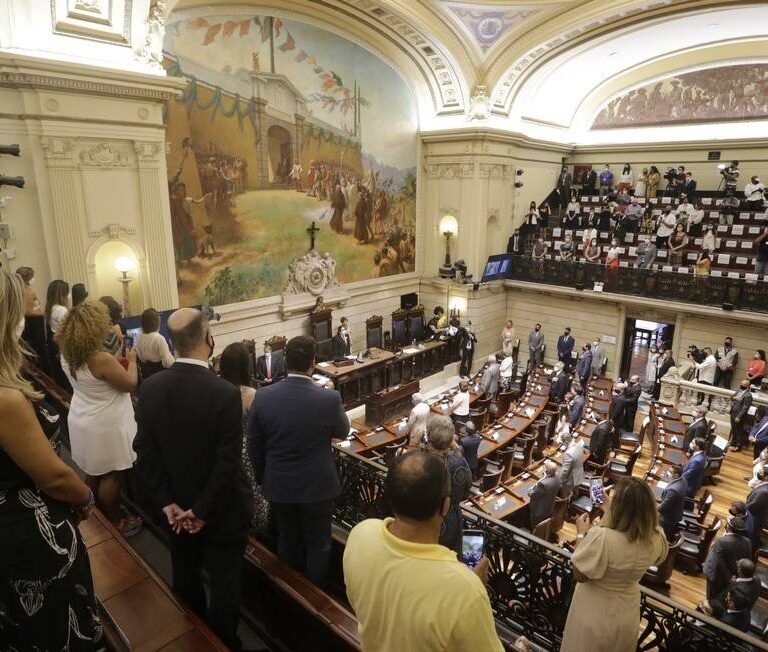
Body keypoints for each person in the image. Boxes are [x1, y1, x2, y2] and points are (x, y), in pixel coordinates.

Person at [134, 308, 252, 648]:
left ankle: (192, 637)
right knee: (225, 586)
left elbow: (145, 453)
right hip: (222, 514)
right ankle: (225, 642)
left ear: (172, 343)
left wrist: (167, 503)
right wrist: (200, 511)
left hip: (175, 511)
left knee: (185, 577)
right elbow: (227, 464)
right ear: (208, 340)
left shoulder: (152, 388)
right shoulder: (225, 393)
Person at [0, 267, 103, 649]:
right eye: (22, 315)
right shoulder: (6, 397)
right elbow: (53, 476)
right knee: (55, 632)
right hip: (31, 545)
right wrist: (86, 498)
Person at [343, 451, 503, 652]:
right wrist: (473, 587)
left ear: (390, 498)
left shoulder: (361, 533)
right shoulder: (465, 592)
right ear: (445, 506)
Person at [247, 335, 348, 586]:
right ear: (313, 363)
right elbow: (343, 431)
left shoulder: (263, 397)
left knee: (288, 539)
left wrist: (264, 478)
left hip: (279, 485)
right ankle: (314, 596)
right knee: (319, 545)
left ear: (284, 362)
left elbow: (253, 446)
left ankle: (289, 593)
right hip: (318, 487)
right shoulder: (328, 399)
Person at [57, 301, 141, 535]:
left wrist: (114, 357)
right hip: (105, 423)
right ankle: (115, 522)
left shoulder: (67, 352)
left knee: (94, 471)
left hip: (82, 417)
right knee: (111, 475)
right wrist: (132, 361)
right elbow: (129, 384)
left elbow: (96, 376)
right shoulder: (99, 359)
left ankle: (88, 513)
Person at [561, 477, 667, 652]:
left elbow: (580, 575)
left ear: (620, 508)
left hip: (595, 609)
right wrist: (610, 509)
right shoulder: (656, 537)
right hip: (627, 609)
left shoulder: (601, 538)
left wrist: (581, 535)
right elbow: (633, 538)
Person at [219, 342, 270, 537]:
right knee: (255, 500)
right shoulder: (250, 394)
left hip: (224, 451)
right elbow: (260, 431)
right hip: (247, 455)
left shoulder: (218, 390)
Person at [425, 415, 471, 553]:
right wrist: (455, 446)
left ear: (428, 436)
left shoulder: (418, 461)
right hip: (450, 521)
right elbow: (467, 486)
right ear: (451, 439)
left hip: (423, 521)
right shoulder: (458, 464)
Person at [702, 517, 751, 600]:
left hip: (717, 576)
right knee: (723, 597)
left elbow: (719, 561)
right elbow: (747, 559)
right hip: (734, 576)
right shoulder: (747, 542)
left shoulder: (723, 541)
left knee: (711, 598)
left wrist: (728, 577)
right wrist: (733, 577)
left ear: (728, 527)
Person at [135, 307, 174, 381]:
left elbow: (141, 358)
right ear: (157, 322)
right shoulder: (159, 338)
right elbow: (167, 362)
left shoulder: (140, 337)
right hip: (161, 374)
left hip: (147, 375)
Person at [529, 460, 562, 529]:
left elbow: (531, 494)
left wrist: (531, 488)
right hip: (549, 507)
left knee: (535, 526)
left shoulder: (543, 484)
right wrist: (545, 476)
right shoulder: (558, 476)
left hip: (539, 510)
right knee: (543, 526)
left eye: (545, 468)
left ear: (547, 471)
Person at [658, 466, 688, 541]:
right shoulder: (683, 480)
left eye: (670, 471)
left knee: (663, 536)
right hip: (677, 512)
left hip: (667, 519)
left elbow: (663, 508)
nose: (667, 472)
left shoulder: (673, 490)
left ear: (676, 475)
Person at [558, 432, 585, 498]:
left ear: (566, 441)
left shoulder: (568, 454)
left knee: (565, 496)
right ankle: (574, 500)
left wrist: (559, 482)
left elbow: (565, 471)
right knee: (576, 492)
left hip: (570, 479)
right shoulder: (579, 445)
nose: (563, 444)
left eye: (563, 442)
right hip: (579, 473)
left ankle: (566, 507)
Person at [747, 467, 768, 549]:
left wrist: (742, 510)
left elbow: (753, 506)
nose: (759, 474)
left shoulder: (764, 492)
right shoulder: (764, 485)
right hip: (755, 516)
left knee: (750, 540)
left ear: (766, 477)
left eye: (762, 473)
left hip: (754, 519)